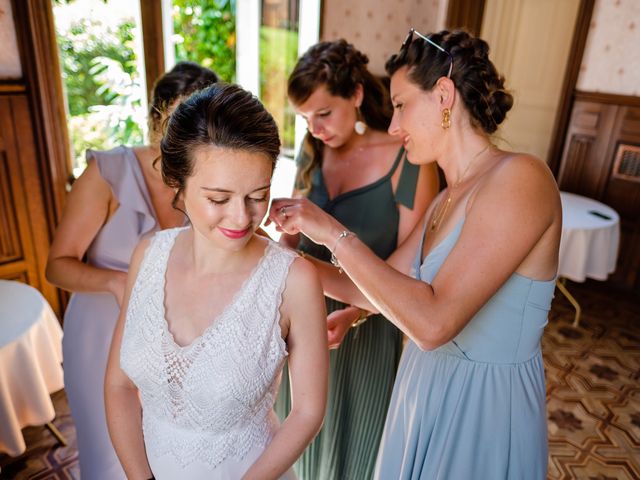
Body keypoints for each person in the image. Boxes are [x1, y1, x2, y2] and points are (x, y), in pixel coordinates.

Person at [269, 29, 561, 479]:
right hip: (422, 388)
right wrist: (272, 257)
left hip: (482, 404)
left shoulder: (521, 177)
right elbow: (371, 285)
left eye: (402, 104)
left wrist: (329, 229)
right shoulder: (447, 199)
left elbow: (432, 322)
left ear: (443, 95)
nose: (393, 125)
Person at [104, 83, 329, 480]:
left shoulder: (293, 280)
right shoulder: (147, 256)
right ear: (177, 182)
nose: (242, 218)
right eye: (219, 199)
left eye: (257, 195)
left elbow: (308, 411)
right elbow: (119, 386)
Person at [274, 39, 439, 480]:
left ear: (358, 97)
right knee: (295, 431)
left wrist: (353, 314)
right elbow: (292, 239)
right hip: (302, 316)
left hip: (368, 322)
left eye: (324, 114)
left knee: (354, 445)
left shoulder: (410, 162)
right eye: (305, 118)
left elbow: (410, 273)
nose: (315, 129)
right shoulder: (313, 151)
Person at [45, 61, 219, 479]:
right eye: (181, 122)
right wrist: (117, 282)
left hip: (175, 338)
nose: (190, 138)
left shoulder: (206, 180)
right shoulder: (106, 174)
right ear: (156, 119)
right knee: (109, 455)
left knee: (166, 454)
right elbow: (57, 266)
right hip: (102, 333)